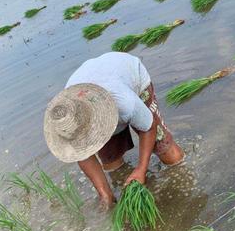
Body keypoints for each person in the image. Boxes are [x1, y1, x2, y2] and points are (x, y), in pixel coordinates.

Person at [43, 52, 184, 208]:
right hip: (93, 80)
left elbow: (148, 128)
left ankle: (184, 180)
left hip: (130, 75)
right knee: (112, 164)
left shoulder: (124, 102)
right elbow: (82, 154)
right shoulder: (67, 117)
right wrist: (104, 194)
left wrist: (141, 169)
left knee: (165, 149)